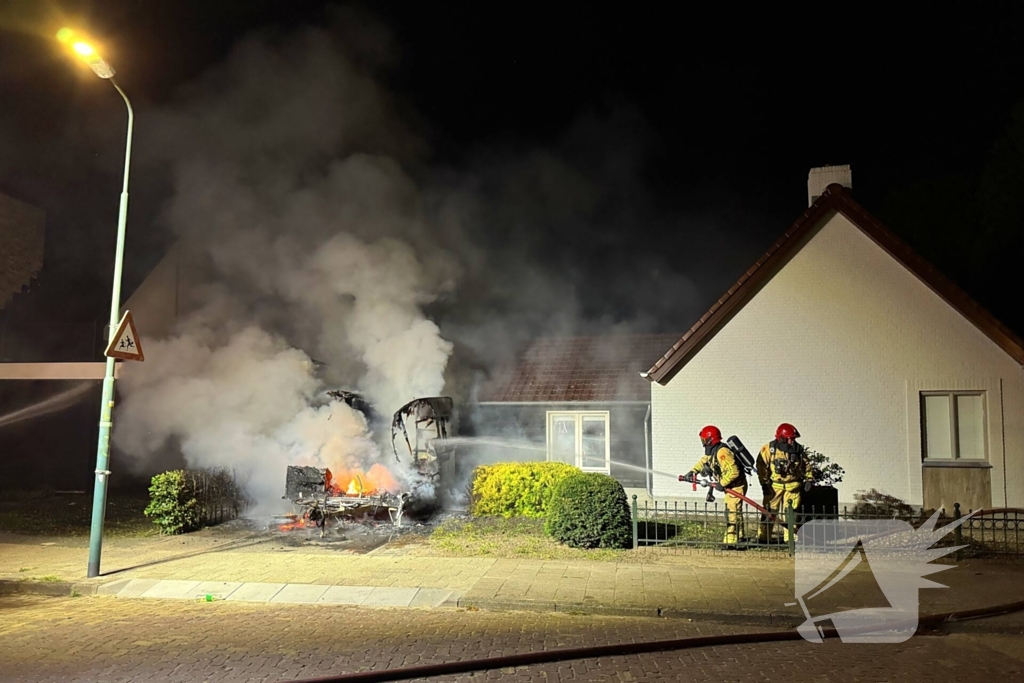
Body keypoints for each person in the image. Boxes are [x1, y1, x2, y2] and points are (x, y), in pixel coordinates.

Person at [680, 425, 748, 546]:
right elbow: (703, 461)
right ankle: (740, 536)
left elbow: (734, 471)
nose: (703, 443)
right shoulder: (713, 451)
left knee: (732, 512)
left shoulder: (722, 452)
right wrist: (693, 471)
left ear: (710, 440)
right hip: (731, 486)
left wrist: (722, 484)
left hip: (736, 486)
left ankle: (731, 541)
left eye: (704, 440)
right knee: (735, 511)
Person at [756, 423, 813, 543]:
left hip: (793, 486)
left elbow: (806, 465)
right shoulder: (769, 449)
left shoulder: (798, 451)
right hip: (774, 486)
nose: (792, 441)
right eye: (790, 439)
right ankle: (764, 537)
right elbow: (761, 466)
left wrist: (809, 479)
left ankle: (790, 538)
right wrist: (764, 484)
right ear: (782, 438)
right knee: (769, 512)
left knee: (791, 513)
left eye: (794, 439)